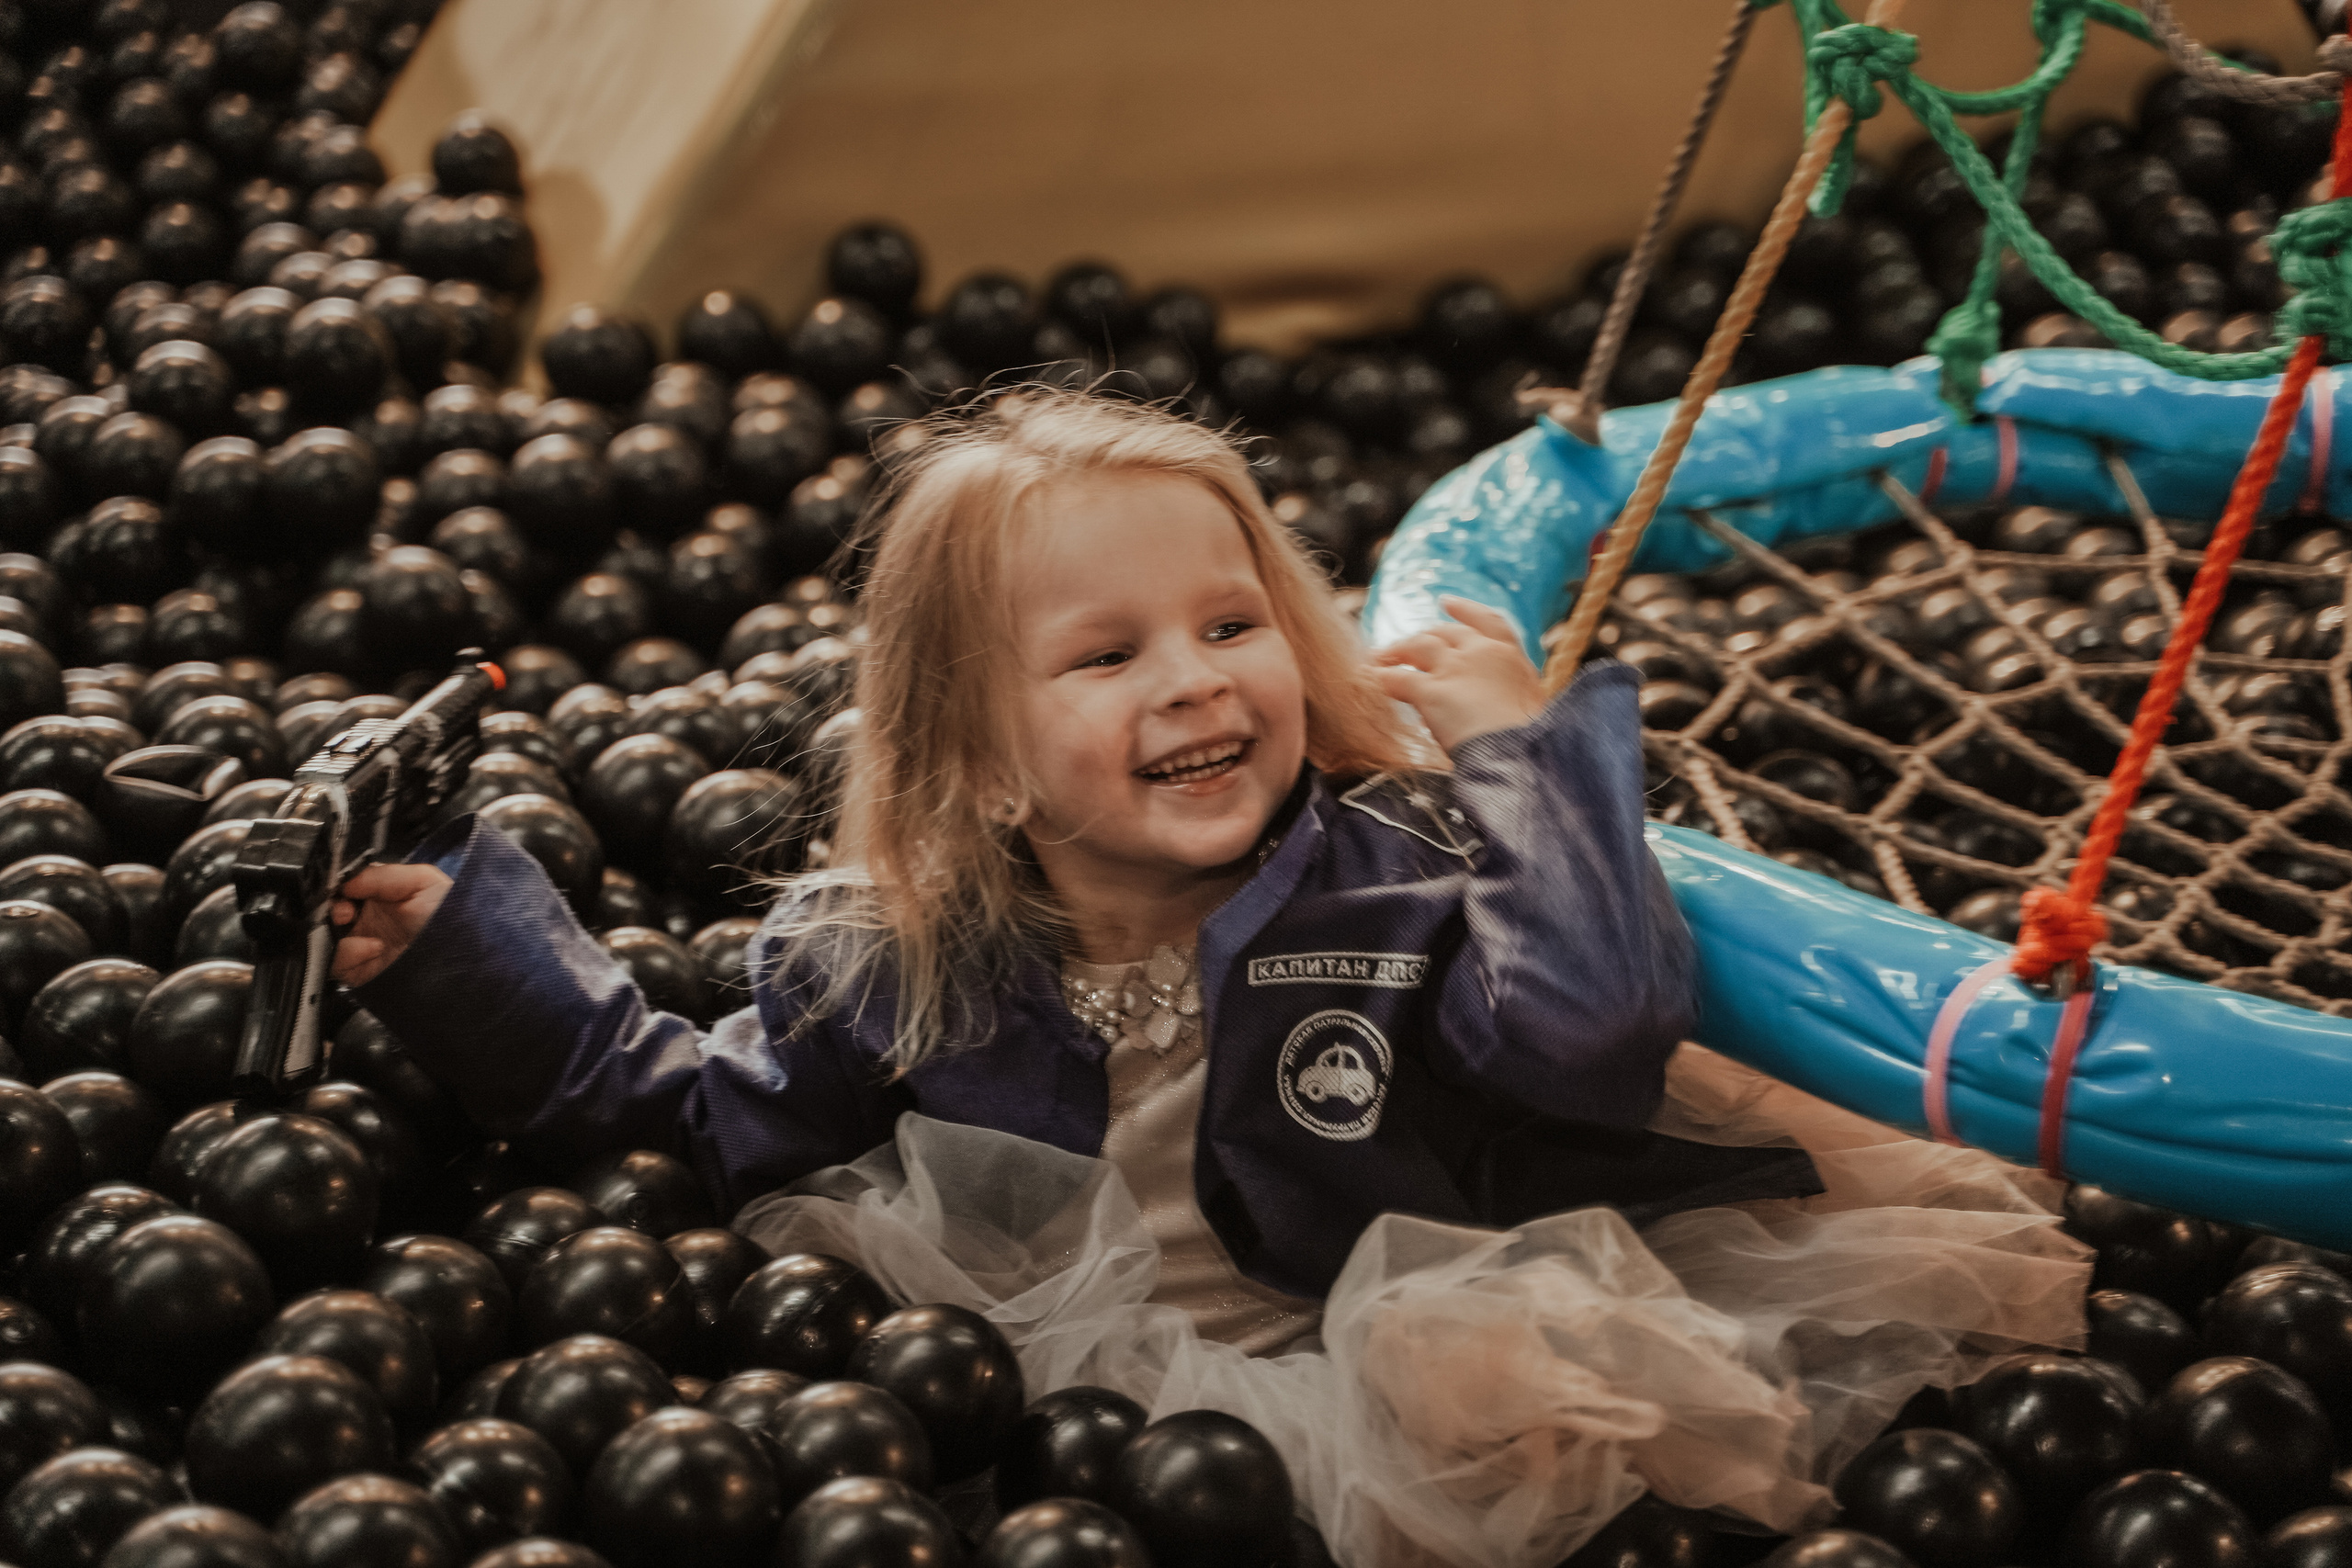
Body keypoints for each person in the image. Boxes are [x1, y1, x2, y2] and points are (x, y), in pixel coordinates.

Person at [340, 388, 2086, 1567]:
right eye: (1107, 655)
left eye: (1230, 626)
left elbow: (1598, 1040)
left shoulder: (1391, 883)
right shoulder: (893, 953)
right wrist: (455, 956)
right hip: (1067, 1384)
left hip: (1412, 1348)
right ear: (981, 761)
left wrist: (1531, 767)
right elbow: (705, 1121)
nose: (1193, 682)